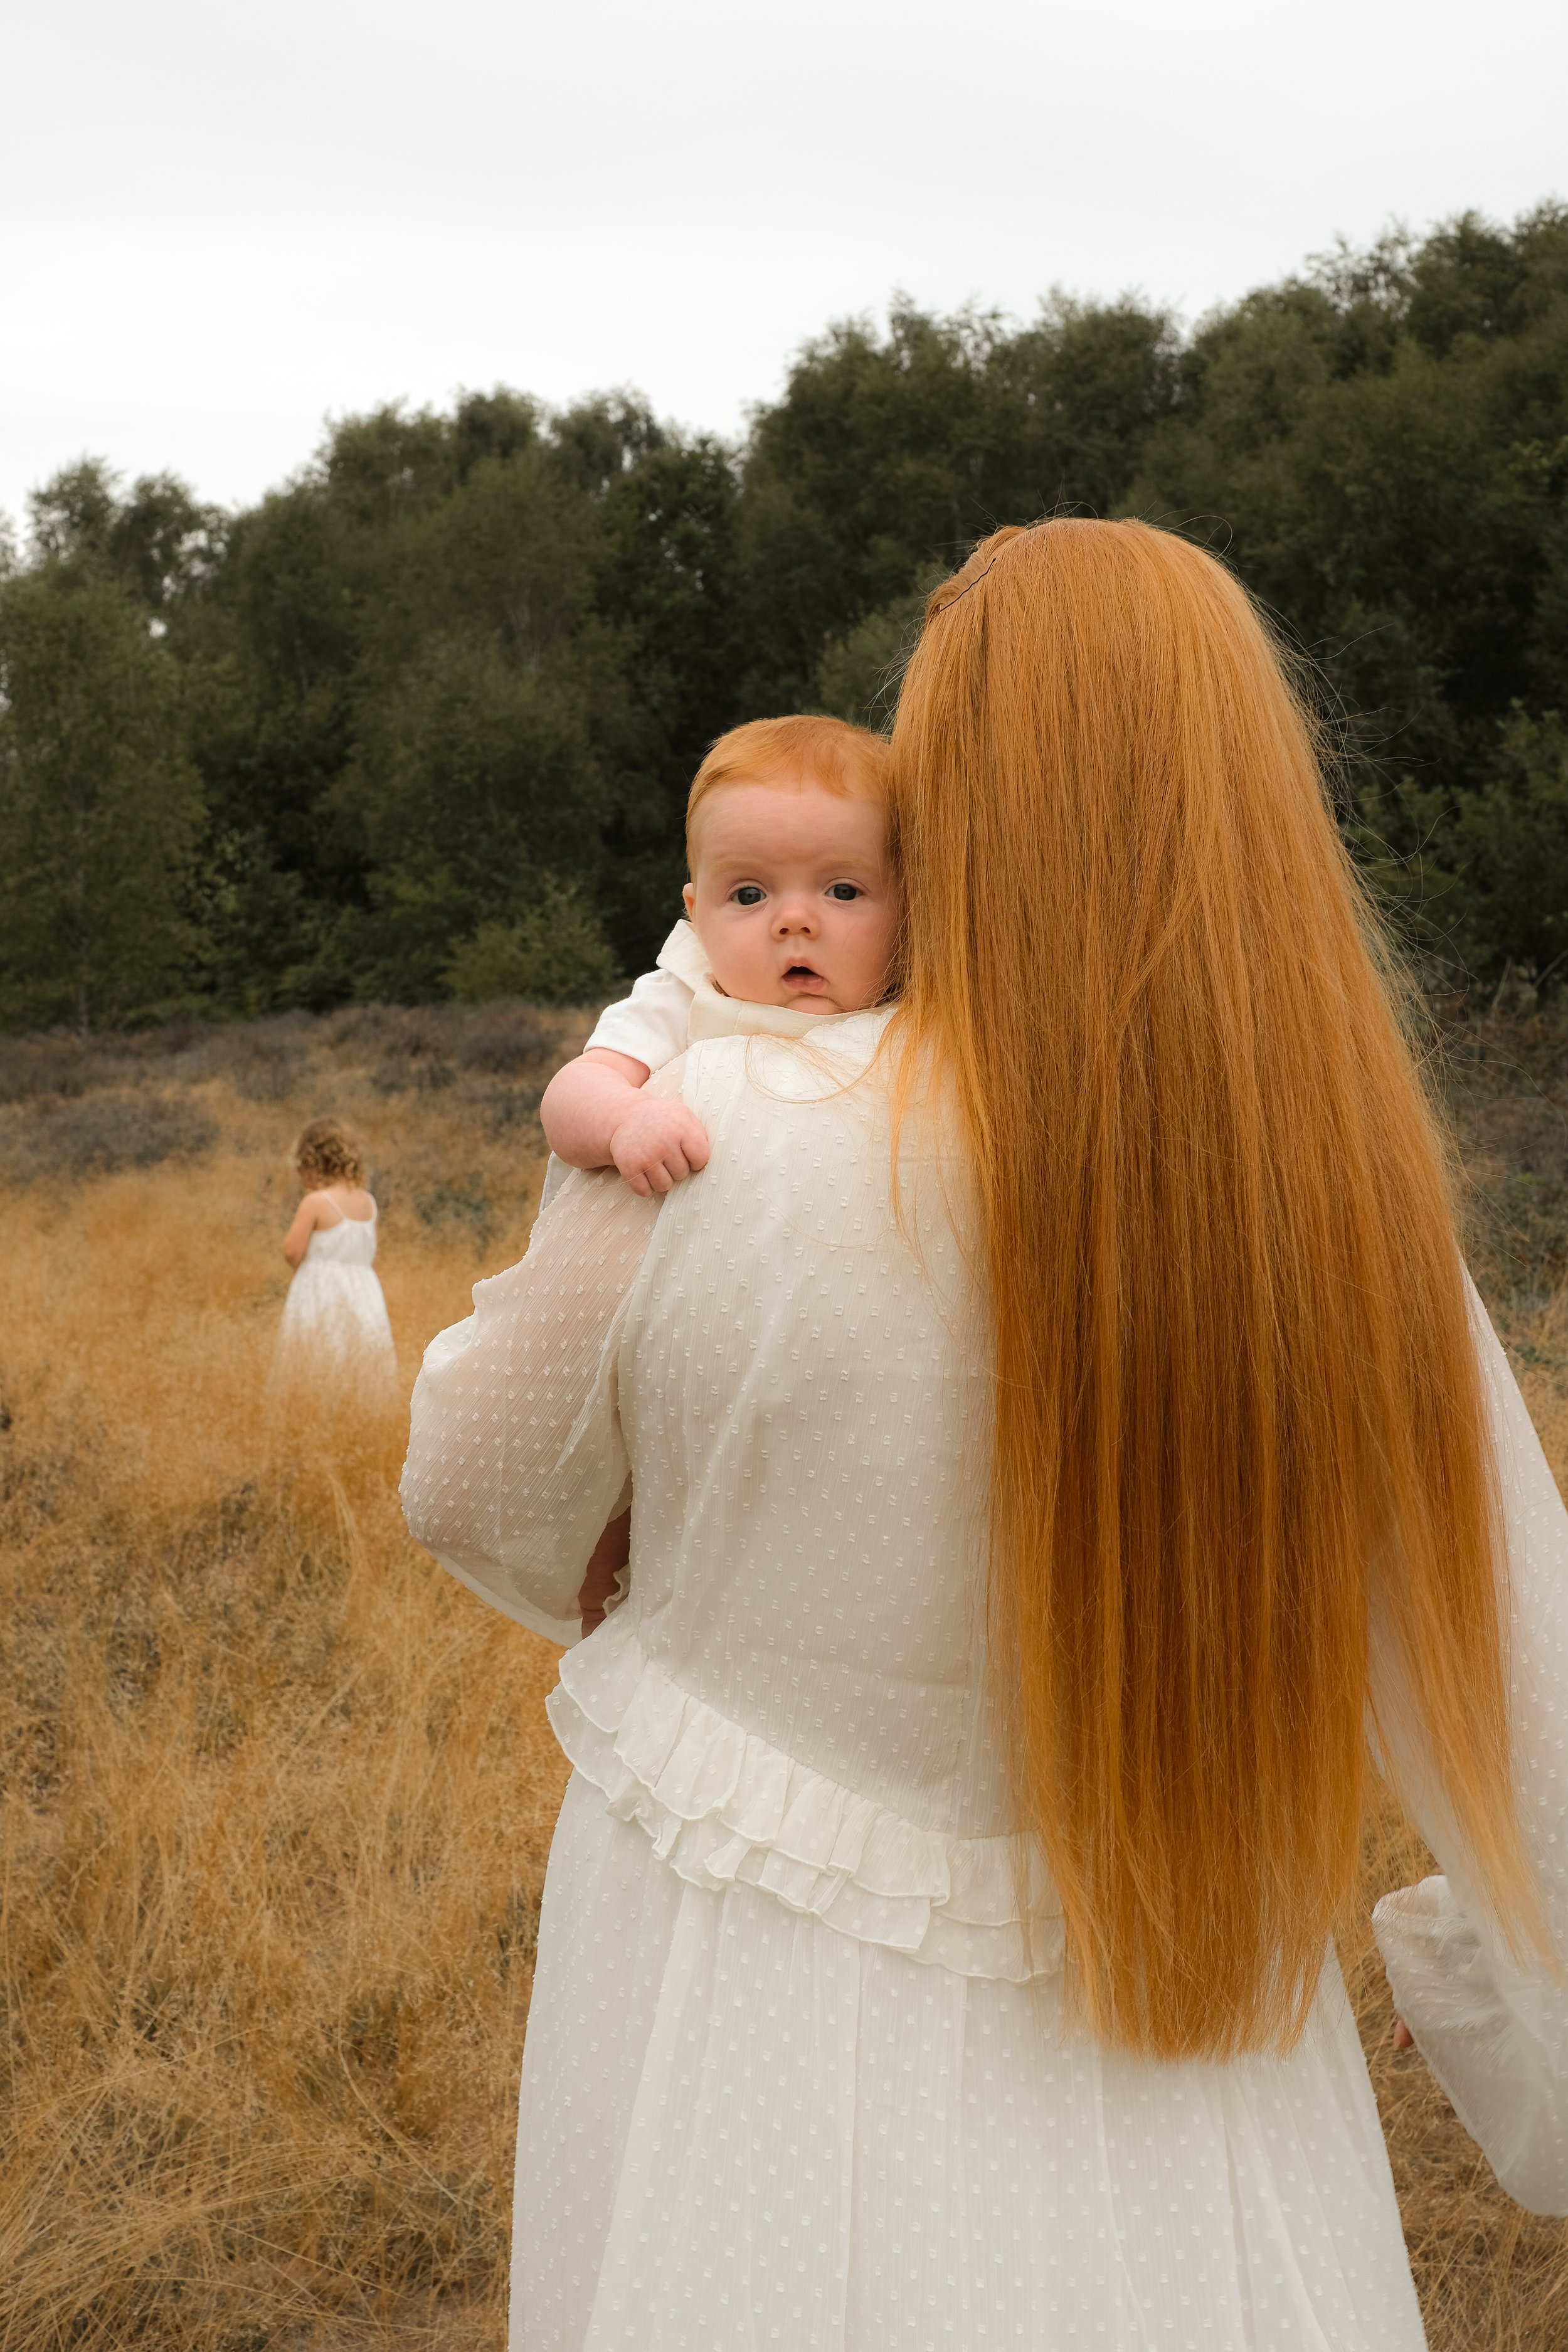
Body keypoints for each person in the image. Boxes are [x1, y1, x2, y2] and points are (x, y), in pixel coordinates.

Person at [401, 519, 1568, 2351]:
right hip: (1193, 2115)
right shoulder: (1336, 1214)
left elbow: (468, 1482)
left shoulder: (711, 1122)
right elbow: (1529, 1704)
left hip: (740, 2057)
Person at [539, 714, 893, 1197]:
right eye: (749, 895)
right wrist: (626, 1117)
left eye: (844, 891)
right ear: (697, 915)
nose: (794, 920)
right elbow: (571, 1095)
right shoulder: (686, 995)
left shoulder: (918, 1005)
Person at [272, 1116, 395, 1397]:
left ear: (312, 1161)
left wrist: (311, 1268)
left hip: (321, 1288)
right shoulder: (368, 1202)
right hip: (365, 1291)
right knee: (358, 1351)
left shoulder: (316, 1202)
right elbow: (371, 1249)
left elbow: (292, 1250)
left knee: (319, 1352)